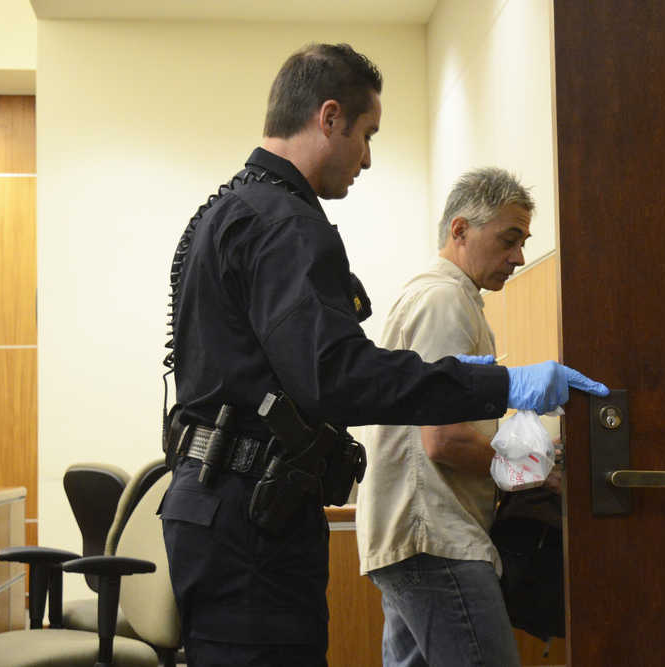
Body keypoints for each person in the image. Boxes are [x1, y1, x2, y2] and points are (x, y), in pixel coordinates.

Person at [158, 43, 608, 667]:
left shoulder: (228, 209)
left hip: (216, 505)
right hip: (253, 526)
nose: (367, 158)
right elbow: (334, 375)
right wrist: (501, 387)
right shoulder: (287, 221)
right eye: (367, 135)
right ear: (330, 116)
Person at [357, 167, 557, 667]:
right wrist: (540, 472)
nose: (519, 257)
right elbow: (443, 440)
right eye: (509, 240)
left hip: (420, 535)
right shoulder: (444, 301)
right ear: (461, 230)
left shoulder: (446, 297)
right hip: (437, 537)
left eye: (523, 242)